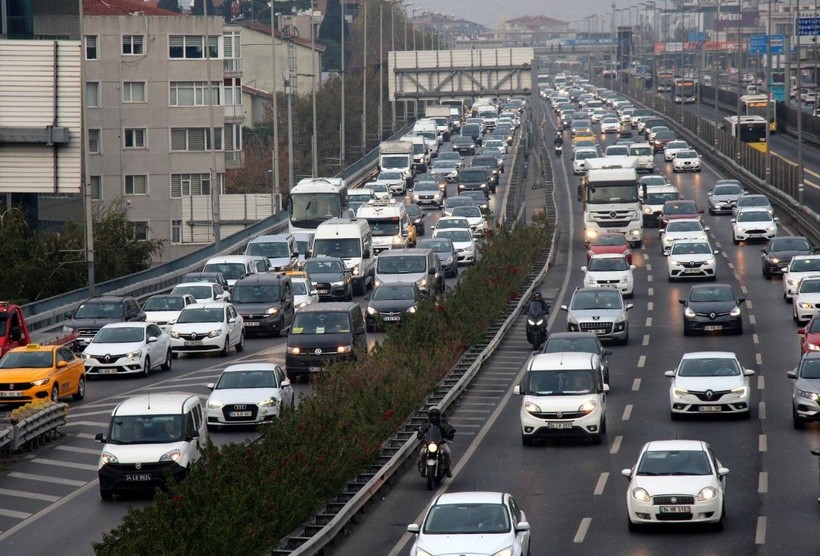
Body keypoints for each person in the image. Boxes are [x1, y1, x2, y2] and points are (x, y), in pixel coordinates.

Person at [417, 407, 456, 477]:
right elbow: (422, 429)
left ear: (439, 415)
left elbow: (448, 428)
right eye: (432, 415)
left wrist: (450, 432)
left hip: (441, 443)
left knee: (447, 452)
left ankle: (447, 468)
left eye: (436, 415)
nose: (434, 417)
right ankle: (423, 467)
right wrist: (420, 434)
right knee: (422, 452)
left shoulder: (442, 423)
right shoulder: (426, 423)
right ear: (429, 416)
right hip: (428, 443)